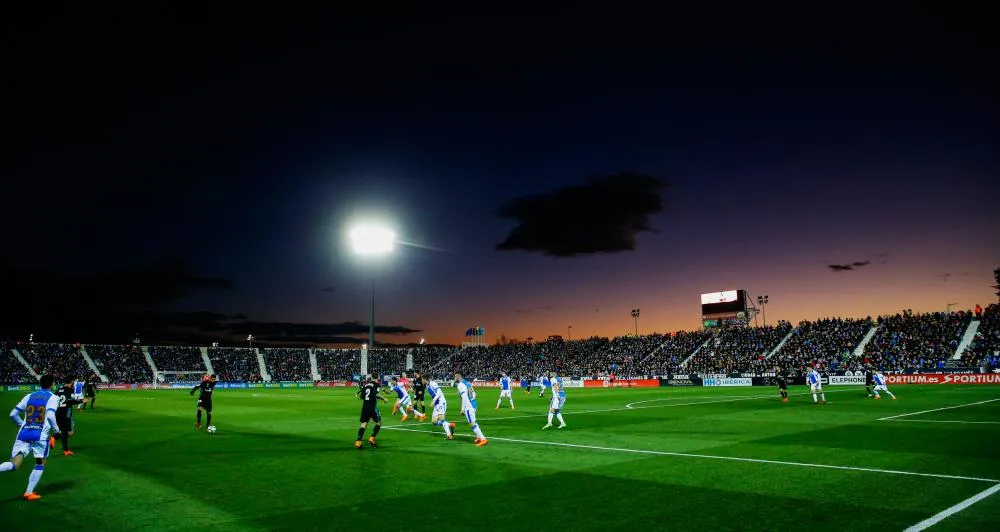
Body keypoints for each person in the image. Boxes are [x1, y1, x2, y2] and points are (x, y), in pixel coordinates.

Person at [0, 374, 62, 501]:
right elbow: (50, 416)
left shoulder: (29, 396)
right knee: (40, 462)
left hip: (24, 434)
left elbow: (13, 414)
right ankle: (28, 493)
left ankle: (28, 492)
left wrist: (22, 425)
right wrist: (57, 431)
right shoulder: (53, 397)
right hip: (40, 436)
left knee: (15, 464)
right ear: (52, 384)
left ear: (40, 384)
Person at [54, 377, 88, 455]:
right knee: (69, 433)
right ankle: (55, 439)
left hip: (58, 412)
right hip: (67, 413)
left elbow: (53, 400)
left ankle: (64, 448)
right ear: (71, 381)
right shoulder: (70, 390)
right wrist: (82, 400)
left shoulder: (58, 390)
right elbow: (70, 401)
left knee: (64, 431)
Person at [454, 372, 488, 446]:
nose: (454, 378)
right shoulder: (467, 383)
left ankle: (483, 439)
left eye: (455, 377)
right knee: (474, 421)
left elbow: (464, 397)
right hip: (474, 403)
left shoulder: (460, 385)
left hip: (468, 406)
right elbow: (474, 394)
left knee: (472, 423)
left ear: (458, 377)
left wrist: (462, 409)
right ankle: (479, 437)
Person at [355, 373, 387, 449]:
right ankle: (371, 439)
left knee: (364, 424)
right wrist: (384, 399)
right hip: (372, 407)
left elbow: (362, 396)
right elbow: (376, 394)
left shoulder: (366, 385)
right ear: (378, 377)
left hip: (365, 406)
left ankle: (358, 442)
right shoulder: (377, 384)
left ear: (371, 377)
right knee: (378, 422)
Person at [421, 375, 455, 439]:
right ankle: (450, 425)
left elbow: (439, 391)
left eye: (422, 379)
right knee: (434, 422)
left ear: (425, 379)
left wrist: (433, 401)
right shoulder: (427, 385)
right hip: (437, 404)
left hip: (441, 402)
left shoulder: (433, 383)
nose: (421, 380)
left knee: (441, 418)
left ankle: (449, 435)